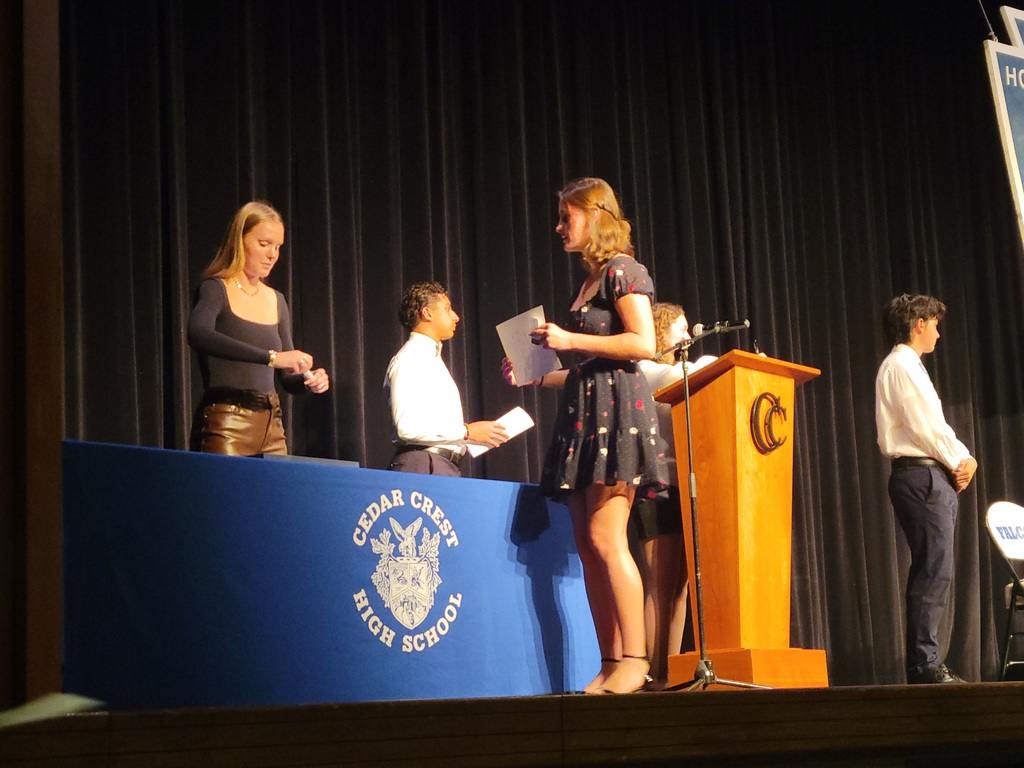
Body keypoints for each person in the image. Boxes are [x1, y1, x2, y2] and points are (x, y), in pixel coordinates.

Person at [503, 178, 668, 694]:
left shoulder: (624, 270)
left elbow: (644, 343)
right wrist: (536, 374)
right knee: (586, 541)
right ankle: (610, 660)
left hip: (617, 411)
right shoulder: (591, 281)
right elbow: (586, 365)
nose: (558, 227)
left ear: (595, 215)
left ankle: (637, 661)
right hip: (586, 409)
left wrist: (568, 337)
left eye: (565, 217)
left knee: (606, 537)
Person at [875, 293, 977, 684]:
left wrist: (960, 458)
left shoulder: (908, 366)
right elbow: (925, 426)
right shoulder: (902, 364)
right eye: (934, 323)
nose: (937, 332)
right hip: (922, 475)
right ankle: (924, 665)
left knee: (937, 569)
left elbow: (933, 425)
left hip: (931, 474)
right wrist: (960, 458)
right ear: (919, 322)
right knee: (933, 570)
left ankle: (928, 662)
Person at [187, 201, 330, 455]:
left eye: (277, 247)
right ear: (239, 241)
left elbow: (286, 377)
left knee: (275, 495)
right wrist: (271, 357)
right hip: (228, 423)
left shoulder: (276, 299)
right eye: (264, 244)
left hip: (272, 425)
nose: (272, 254)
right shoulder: (216, 288)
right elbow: (198, 333)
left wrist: (306, 381)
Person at [629, 302, 703, 690]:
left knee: (679, 588)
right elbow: (687, 374)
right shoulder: (650, 370)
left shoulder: (673, 370)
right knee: (660, 585)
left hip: (681, 487)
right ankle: (650, 673)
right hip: (654, 486)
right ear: (660, 331)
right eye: (682, 328)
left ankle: (669, 673)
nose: (688, 336)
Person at [385, 281, 508, 476]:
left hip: (439, 465)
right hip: (423, 465)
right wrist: (467, 431)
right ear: (427, 313)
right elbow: (407, 428)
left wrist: (475, 435)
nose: (456, 317)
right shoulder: (412, 358)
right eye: (448, 309)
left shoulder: (431, 359)